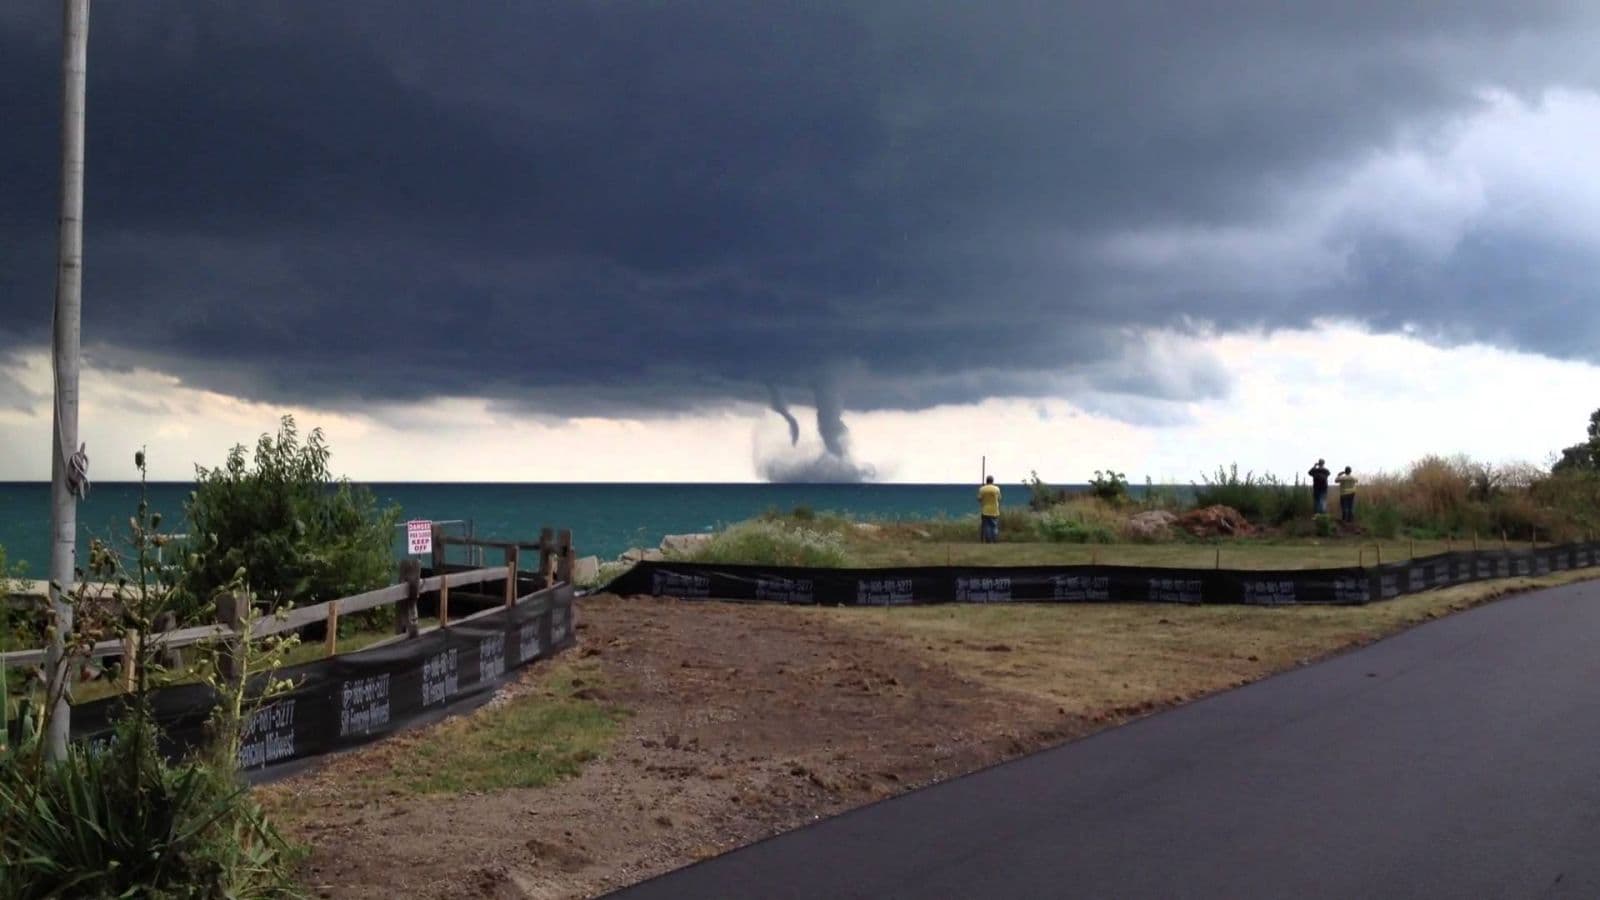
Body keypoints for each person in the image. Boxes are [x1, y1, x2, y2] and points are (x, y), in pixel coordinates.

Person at [978, 475, 1002, 543]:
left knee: (986, 526)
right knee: (994, 526)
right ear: (992, 481)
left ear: (986, 481)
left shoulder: (982, 489)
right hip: (995, 510)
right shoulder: (996, 489)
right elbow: (999, 498)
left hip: (985, 510)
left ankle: (988, 540)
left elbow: (979, 498)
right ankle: (994, 540)